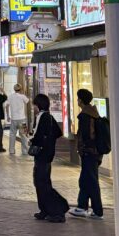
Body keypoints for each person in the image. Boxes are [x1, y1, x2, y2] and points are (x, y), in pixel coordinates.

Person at [30, 94, 68, 224]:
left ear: (38, 105)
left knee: (42, 182)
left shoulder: (44, 117)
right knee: (41, 182)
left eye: (34, 105)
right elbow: (56, 133)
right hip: (45, 154)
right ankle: (45, 209)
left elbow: (42, 135)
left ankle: (58, 209)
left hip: (44, 155)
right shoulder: (45, 117)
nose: (33, 107)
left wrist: (37, 141)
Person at [69, 89, 104, 220]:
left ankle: (97, 210)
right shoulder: (94, 113)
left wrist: (83, 149)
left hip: (89, 153)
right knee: (85, 180)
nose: (77, 101)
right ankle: (82, 206)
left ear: (81, 100)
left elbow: (87, 136)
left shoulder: (85, 116)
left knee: (91, 181)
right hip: (94, 153)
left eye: (78, 98)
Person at [7, 83, 31, 155]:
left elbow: (7, 105)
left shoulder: (10, 96)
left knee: (12, 134)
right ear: (21, 89)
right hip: (22, 118)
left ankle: (11, 150)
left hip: (13, 118)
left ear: (14, 89)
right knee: (23, 135)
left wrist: (8, 116)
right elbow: (27, 101)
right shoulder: (22, 96)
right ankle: (25, 151)